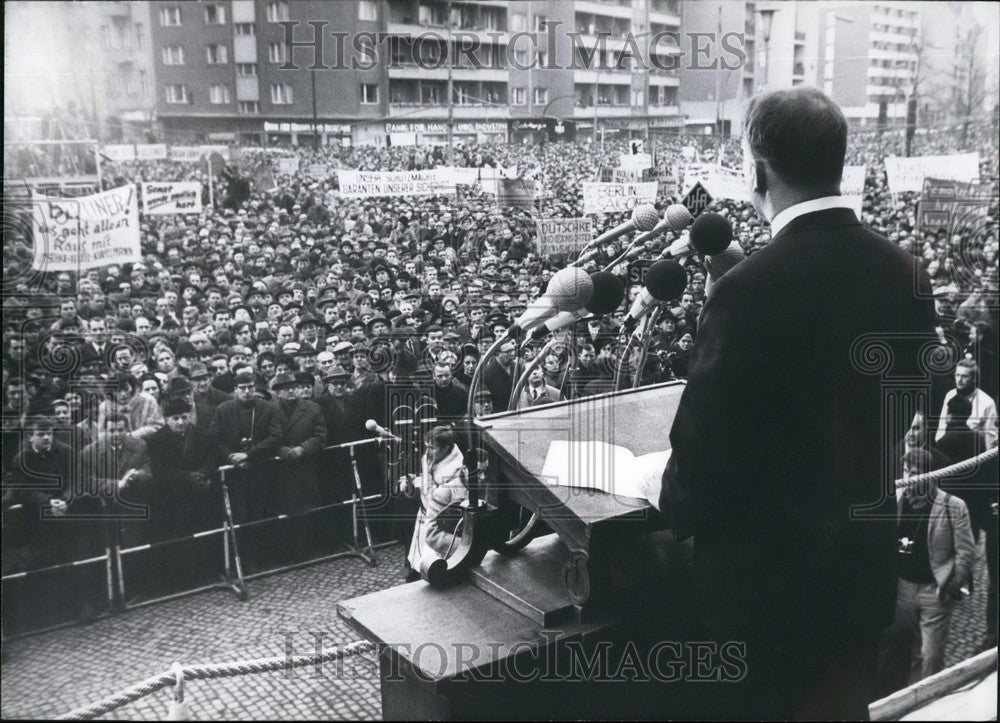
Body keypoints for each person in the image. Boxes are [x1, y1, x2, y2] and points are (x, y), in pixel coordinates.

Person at [658, 87, 937, 719]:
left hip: (765, 600)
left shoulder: (745, 291)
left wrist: (668, 499)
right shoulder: (906, 272)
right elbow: (902, 409)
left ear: (758, 171)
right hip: (859, 577)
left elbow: (699, 461)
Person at [876, 448, 976, 692]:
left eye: (916, 472)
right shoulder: (897, 502)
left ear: (930, 475)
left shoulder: (954, 506)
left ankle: (929, 701)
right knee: (901, 653)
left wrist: (951, 585)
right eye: (906, 471)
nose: (910, 477)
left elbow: (966, 552)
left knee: (931, 657)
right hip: (903, 591)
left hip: (934, 592)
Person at [398, 426, 468, 582]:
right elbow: (424, 488)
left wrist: (427, 478)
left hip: (439, 529)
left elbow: (434, 501)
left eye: (432, 447)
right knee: (415, 568)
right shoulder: (431, 459)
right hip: (422, 522)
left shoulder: (457, 472)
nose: (428, 452)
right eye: (426, 446)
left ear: (446, 448)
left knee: (432, 573)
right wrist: (412, 484)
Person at [935, 360, 998, 448]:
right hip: (948, 447)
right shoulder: (950, 395)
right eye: (957, 375)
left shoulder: (987, 402)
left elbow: (990, 436)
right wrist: (940, 445)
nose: (959, 380)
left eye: (965, 376)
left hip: (974, 450)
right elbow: (942, 425)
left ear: (974, 378)